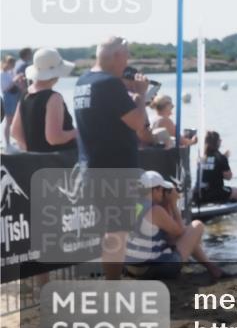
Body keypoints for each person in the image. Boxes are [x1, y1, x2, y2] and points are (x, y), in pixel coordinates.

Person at [74, 37, 154, 280]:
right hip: (115, 168)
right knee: (116, 231)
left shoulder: (83, 80)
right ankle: (112, 286)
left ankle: (110, 282)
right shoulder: (109, 84)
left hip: (92, 165)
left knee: (108, 229)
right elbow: (138, 123)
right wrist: (141, 95)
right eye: (126, 56)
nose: (127, 62)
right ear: (117, 56)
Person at [125, 171, 222, 280]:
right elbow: (179, 232)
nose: (163, 193)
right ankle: (212, 268)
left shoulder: (134, 205)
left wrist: (166, 205)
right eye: (162, 189)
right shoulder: (155, 210)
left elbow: (170, 236)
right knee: (197, 226)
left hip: (131, 268)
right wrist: (173, 204)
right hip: (150, 271)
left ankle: (211, 267)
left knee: (185, 236)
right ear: (155, 190)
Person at [10, 48, 77, 153]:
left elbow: (15, 132)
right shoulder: (53, 98)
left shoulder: (25, 94)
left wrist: (33, 151)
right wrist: (77, 132)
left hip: (36, 160)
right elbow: (54, 138)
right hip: (59, 159)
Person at [197, 131, 237, 208]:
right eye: (219, 139)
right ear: (217, 142)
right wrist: (225, 159)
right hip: (217, 193)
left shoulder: (200, 157)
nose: (221, 141)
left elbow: (209, 171)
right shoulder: (220, 158)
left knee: (234, 189)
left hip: (200, 193)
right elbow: (228, 177)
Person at [2, 55, 21, 150]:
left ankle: (14, 142)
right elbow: (5, 88)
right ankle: (7, 144)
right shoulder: (2, 74)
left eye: (14, 63)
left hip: (14, 96)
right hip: (8, 98)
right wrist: (15, 80)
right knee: (9, 121)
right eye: (11, 63)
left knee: (15, 120)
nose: (13, 65)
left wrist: (18, 80)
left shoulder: (10, 73)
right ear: (6, 63)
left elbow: (14, 84)